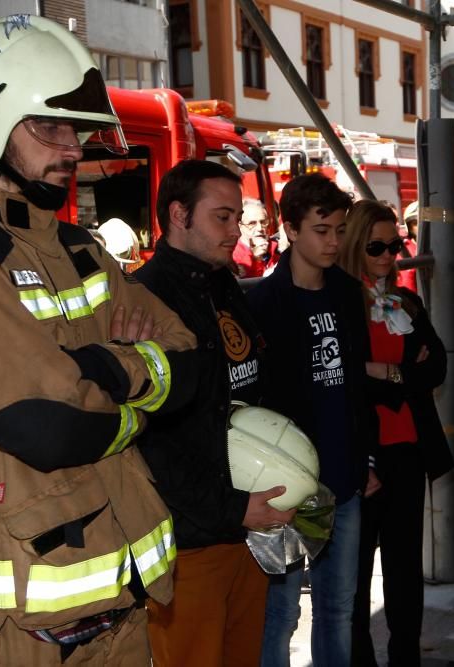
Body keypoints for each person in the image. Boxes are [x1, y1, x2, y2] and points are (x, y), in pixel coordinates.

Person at [0, 15, 198, 664]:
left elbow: (193, 364)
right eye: (49, 127)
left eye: (75, 128)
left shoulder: (80, 249)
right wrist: (141, 386)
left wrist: (101, 372)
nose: (73, 146)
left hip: (121, 615)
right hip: (22, 637)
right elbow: (46, 430)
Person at [134, 160, 294, 667]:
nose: (236, 231)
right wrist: (230, 508)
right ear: (178, 214)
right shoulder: (145, 297)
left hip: (245, 526)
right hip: (189, 542)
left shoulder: (222, 285)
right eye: (222, 217)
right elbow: (151, 439)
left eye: (238, 217)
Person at [247, 173, 377, 667]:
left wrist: (366, 457)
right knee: (279, 613)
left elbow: (355, 387)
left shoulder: (346, 292)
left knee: (338, 608)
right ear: (291, 229)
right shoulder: (261, 301)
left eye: (340, 230)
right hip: (286, 488)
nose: (334, 241)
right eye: (322, 229)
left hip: (344, 479)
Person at [339, 200, 454, 667]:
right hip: (361, 457)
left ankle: (406, 658)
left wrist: (388, 374)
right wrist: (404, 374)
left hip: (408, 450)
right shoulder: (341, 303)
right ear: (355, 247)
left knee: (405, 570)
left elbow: (438, 367)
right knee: (356, 574)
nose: (390, 255)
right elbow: (345, 378)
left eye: (397, 244)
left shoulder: (407, 302)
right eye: (377, 247)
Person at [233, 199, 276, 278]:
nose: (260, 228)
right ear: (239, 226)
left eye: (263, 222)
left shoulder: (277, 248)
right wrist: (257, 260)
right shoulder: (232, 256)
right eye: (252, 223)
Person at [395, 201, 419, 293]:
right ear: (409, 227)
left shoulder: (442, 248)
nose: (421, 226)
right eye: (415, 223)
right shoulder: (402, 248)